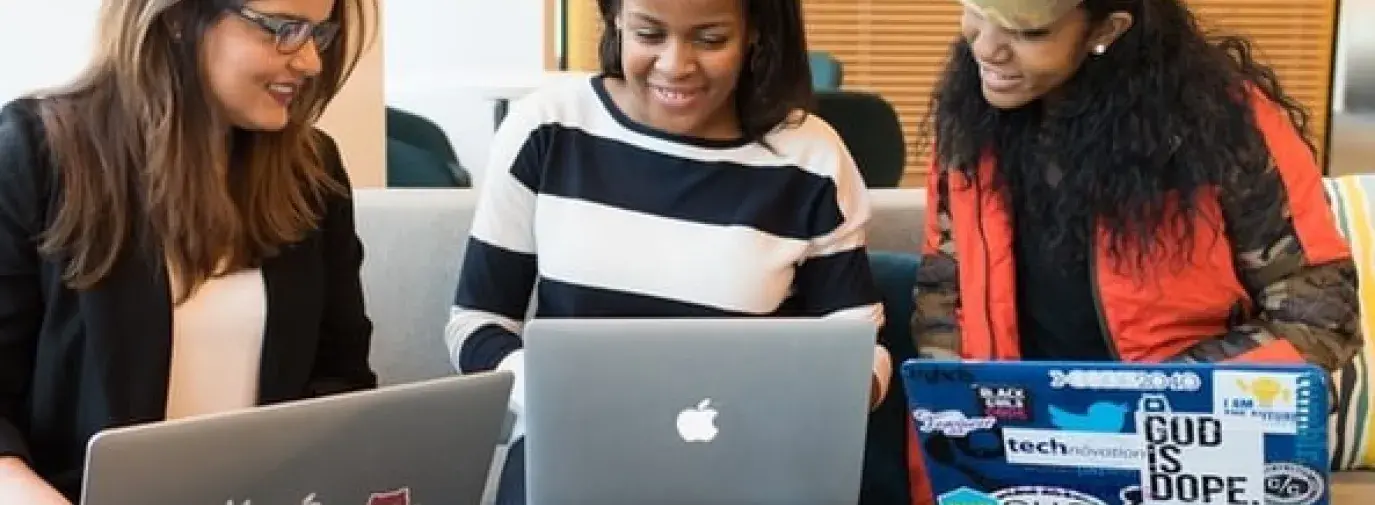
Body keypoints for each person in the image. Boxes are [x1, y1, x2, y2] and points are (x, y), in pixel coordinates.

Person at [909, 0, 1362, 502]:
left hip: (1187, 455)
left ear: (1107, 29)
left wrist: (1155, 397)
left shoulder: (1226, 128)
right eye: (975, 11)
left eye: (1028, 33)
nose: (986, 46)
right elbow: (943, 300)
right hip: (1018, 454)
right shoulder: (970, 123)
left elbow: (1320, 316)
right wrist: (956, 447)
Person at [444, 0, 891, 502]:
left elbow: (858, 346)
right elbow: (476, 324)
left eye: (710, 39)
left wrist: (829, 401)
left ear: (755, 34)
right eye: (649, 34)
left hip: (748, 470)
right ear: (615, 21)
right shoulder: (547, 129)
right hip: (569, 461)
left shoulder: (811, 157)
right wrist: (546, 392)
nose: (675, 65)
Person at [0, 0, 377, 502]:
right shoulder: (35, 155)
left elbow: (342, 383)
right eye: (283, 30)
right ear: (177, 19)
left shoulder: (314, 175)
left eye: (319, 34)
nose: (310, 61)